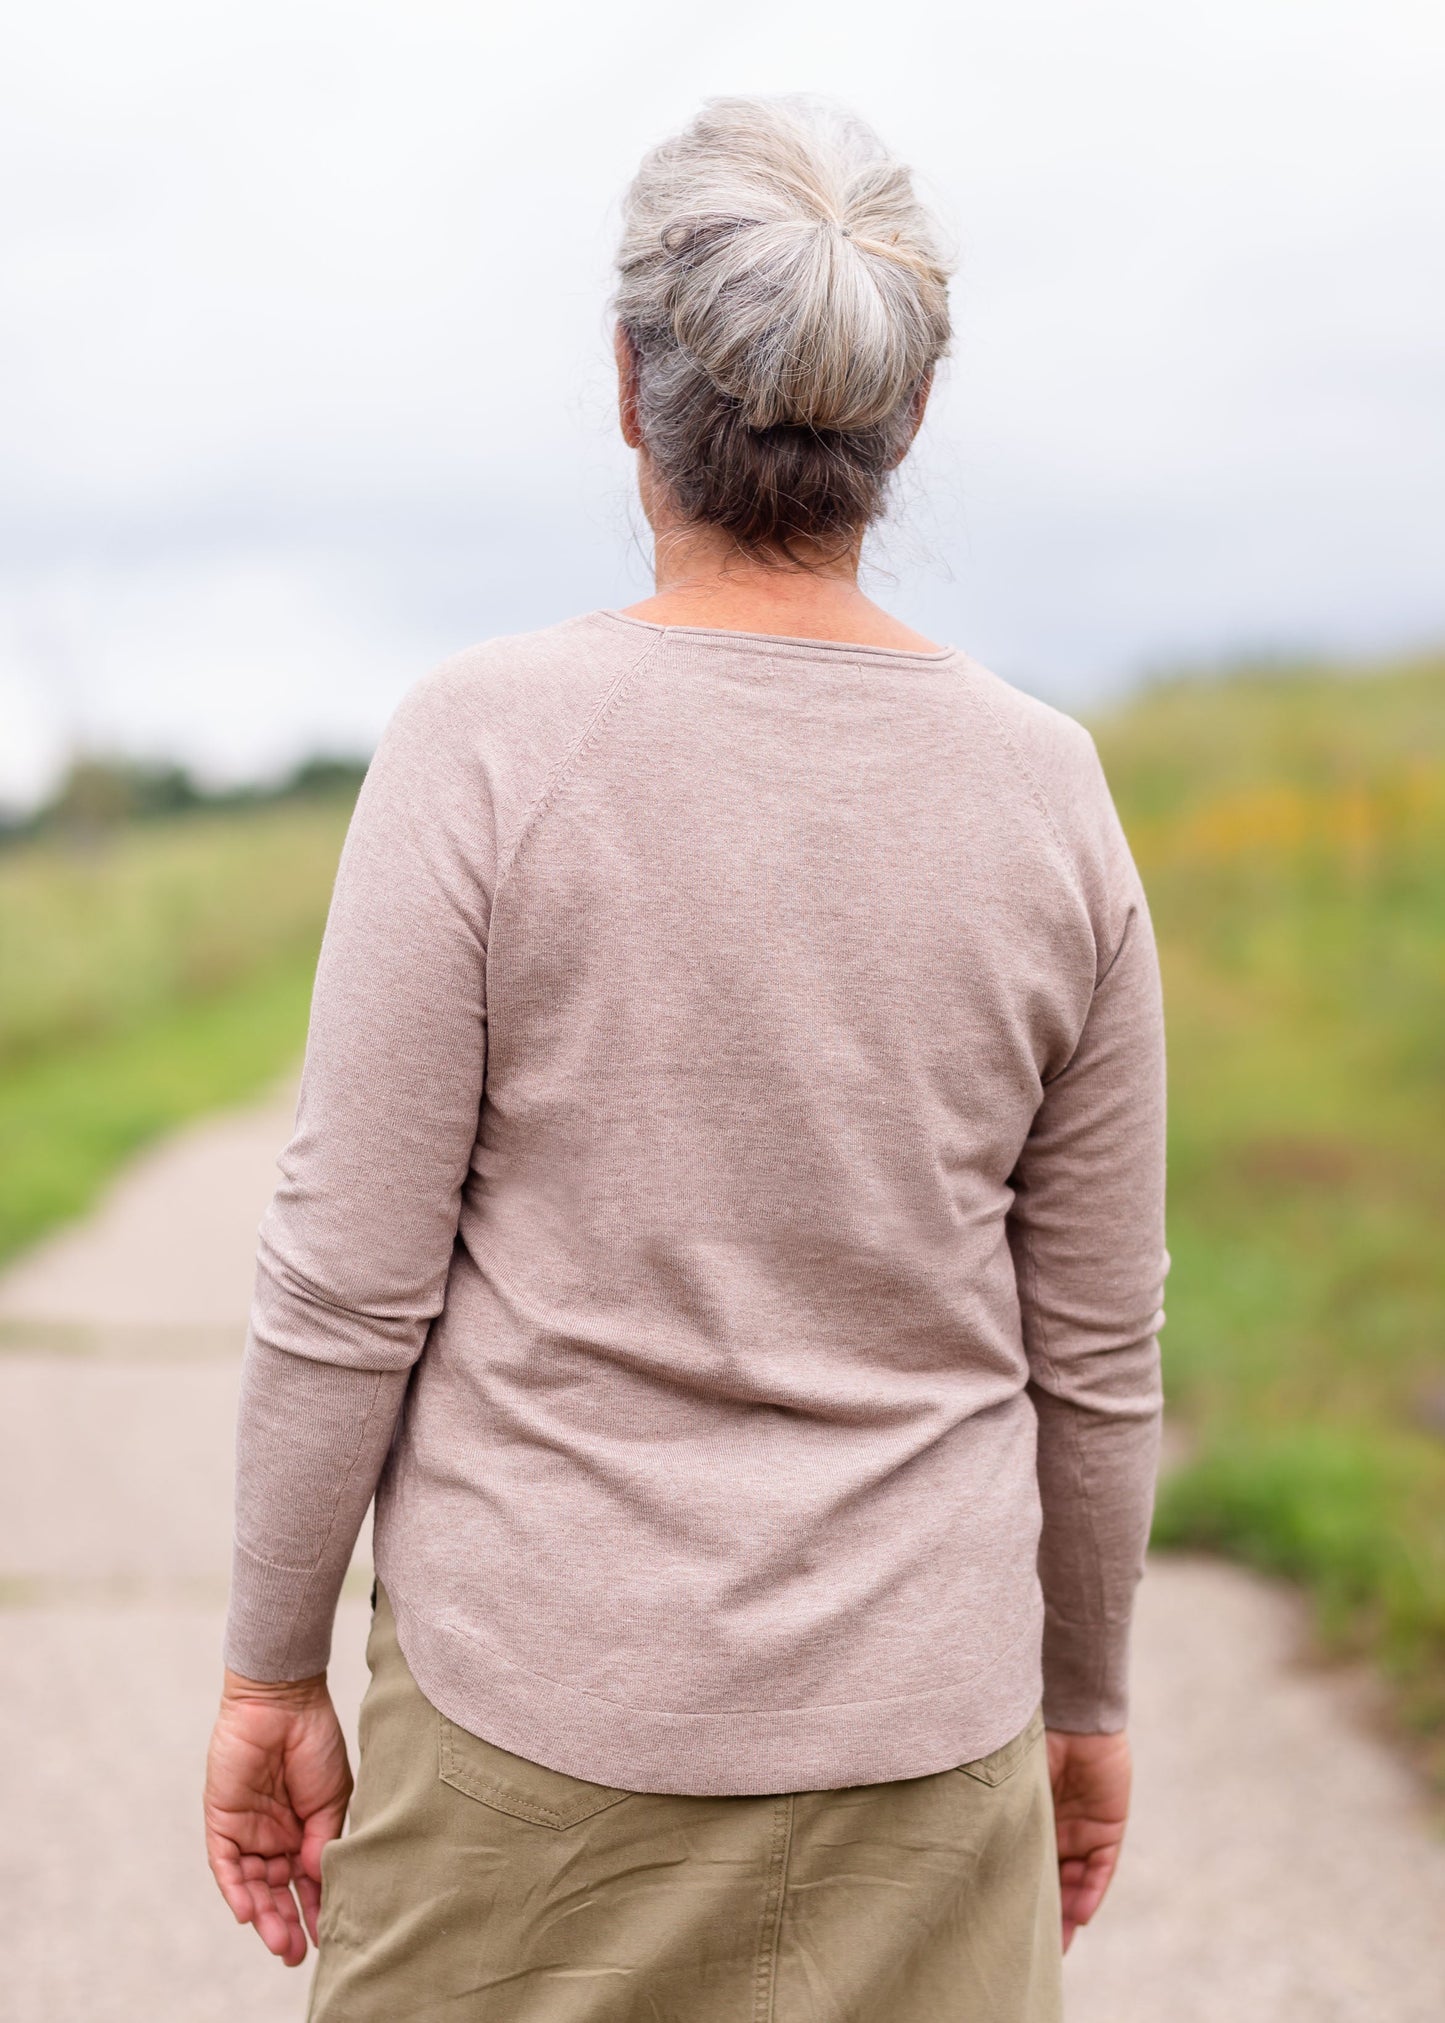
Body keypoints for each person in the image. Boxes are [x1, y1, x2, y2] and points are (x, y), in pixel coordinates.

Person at [203, 92, 1168, 2023]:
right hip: (925, 1753)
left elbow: (347, 1286)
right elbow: (1095, 1343)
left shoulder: (478, 748)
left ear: (632, 390)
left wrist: (269, 1669)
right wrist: (1083, 1703)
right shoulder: (1051, 803)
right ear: (901, 425)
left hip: (524, 1759)